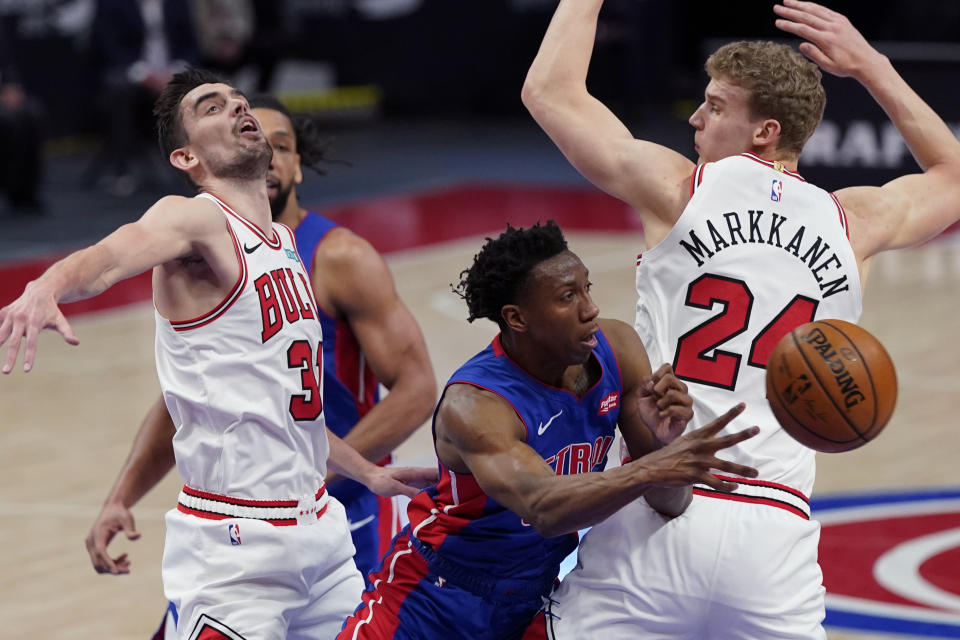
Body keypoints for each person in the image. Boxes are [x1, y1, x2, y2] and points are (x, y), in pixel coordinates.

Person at [521, 0, 960, 637]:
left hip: (658, 505)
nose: (696, 117)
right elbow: (952, 177)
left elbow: (550, 90)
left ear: (765, 132)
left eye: (716, 106)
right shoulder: (852, 222)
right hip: (772, 538)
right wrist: (872, 66)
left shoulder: (679, 188)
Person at [0, 67, 434, 640]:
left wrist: (366, 474)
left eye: (237, 100)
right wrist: (47, 286)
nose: (235, 107)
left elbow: (285, 409)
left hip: (322, 541)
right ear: (186, 159)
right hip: (238, 551)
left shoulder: (283, 245)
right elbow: (109, 257)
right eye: (211, 107)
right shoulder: (196, 219)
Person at [337, 220, 761, 640]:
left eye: (587, 288)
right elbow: (545, 510)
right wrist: (655, 466)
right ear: (517, 318)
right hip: (431, 599)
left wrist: (666, 445)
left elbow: (669, 502)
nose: (590, 308)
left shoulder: (618, 350)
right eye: (567, 296)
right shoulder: (477, 404)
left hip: (533, 603)